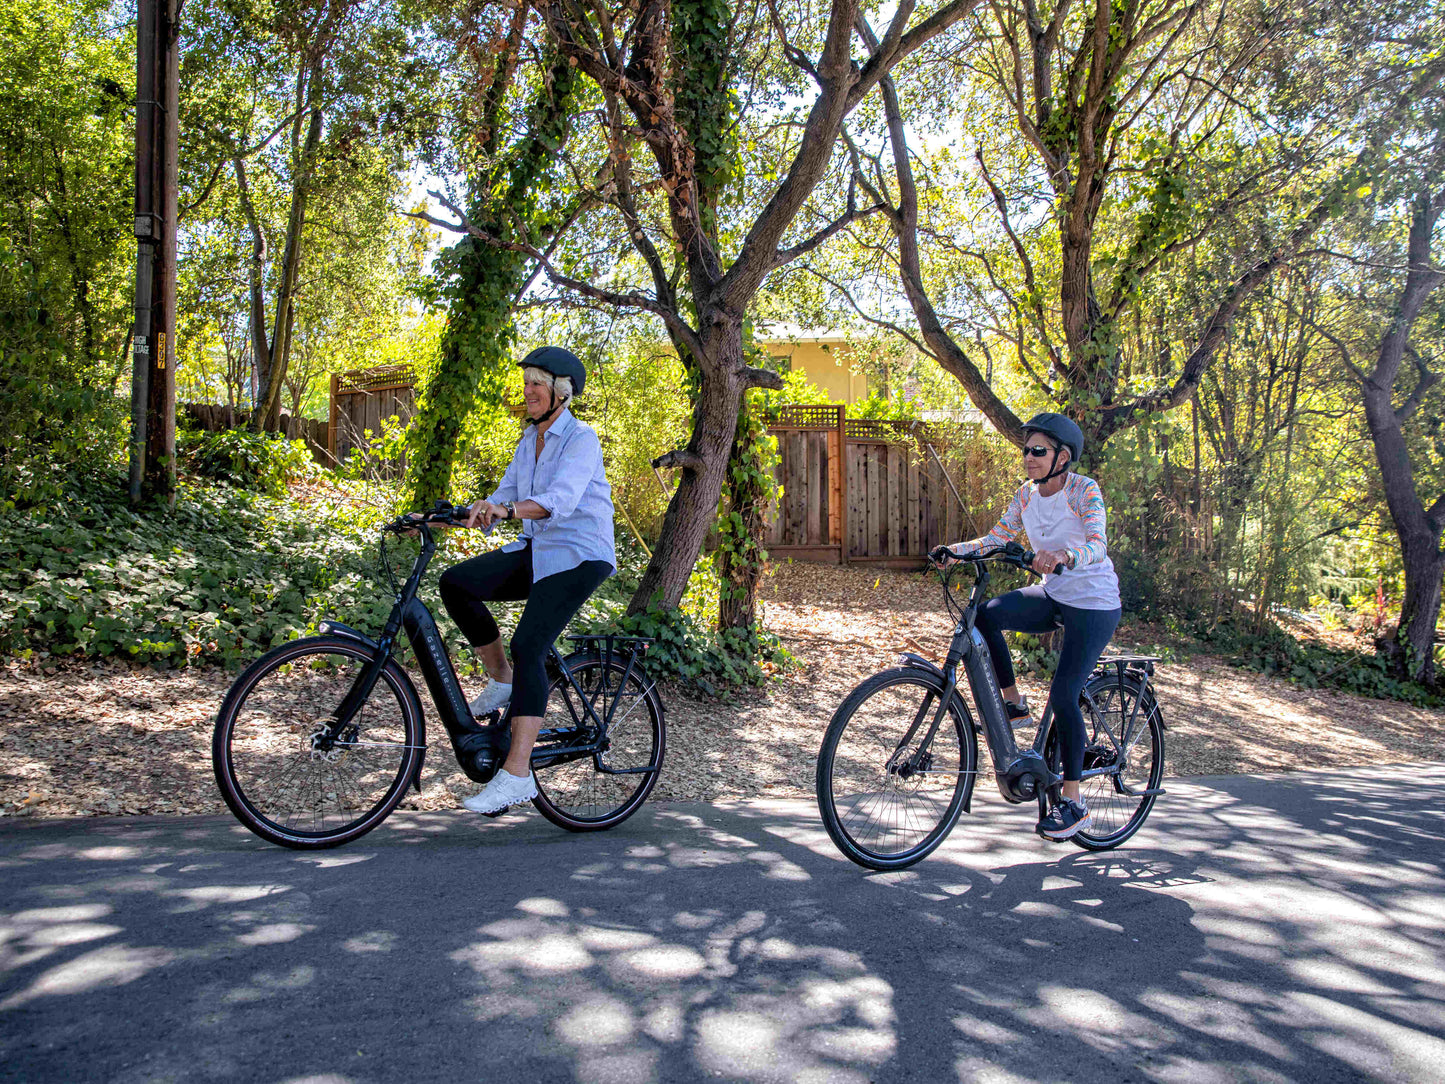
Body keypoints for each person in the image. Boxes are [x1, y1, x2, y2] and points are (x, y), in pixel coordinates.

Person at [437, 345, 616, 816]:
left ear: (561, 391)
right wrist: (449, 516)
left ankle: (516, 775)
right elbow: (504, 497)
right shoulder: (527, 440)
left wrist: (508, 510)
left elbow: (561, 498)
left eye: (537, 382)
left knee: (530, 644)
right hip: (539, 551)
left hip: (580, 553)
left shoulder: (581, 439)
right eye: (527, 382)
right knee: (456, 583)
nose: (528, 390)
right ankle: (503, 680)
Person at [936, 413, 1121, 842]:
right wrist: (955, 551)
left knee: (1064, 693)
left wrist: (1063, 556)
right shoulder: (1026, 495)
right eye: (1026, 450)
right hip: (1056, 596)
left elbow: (1097, 543)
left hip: (1093, 603)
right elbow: (997, 538)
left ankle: (1073, 803)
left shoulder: (1082, 490)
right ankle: (1014, 704)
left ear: (1062, 457)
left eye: (1038, 451)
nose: (1029, 458)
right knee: (985, 615)